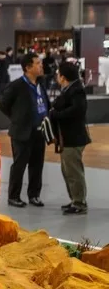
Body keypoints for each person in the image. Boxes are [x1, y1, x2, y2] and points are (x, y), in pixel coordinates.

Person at [0, 52, 50, 208]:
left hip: (39, 132)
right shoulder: (17, 86)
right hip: (22, 132)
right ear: (28, 67)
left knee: (37, 165)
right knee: (19, 165)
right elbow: (3, 104)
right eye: (38, 63)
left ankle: (34, 195)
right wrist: (17, 118)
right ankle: (13, 196)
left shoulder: (41, 83)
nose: (41, 66)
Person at [49, 62, 91, 215]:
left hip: (74, 138)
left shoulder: (77, 90)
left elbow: (77, 111)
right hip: (68, 138)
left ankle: (79, 203)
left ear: (63, 77)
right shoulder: (71, 89)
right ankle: (75, 199)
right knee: (68, 171)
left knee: (73, 172)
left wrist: (56, 114)